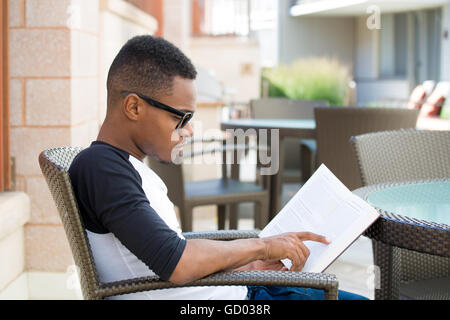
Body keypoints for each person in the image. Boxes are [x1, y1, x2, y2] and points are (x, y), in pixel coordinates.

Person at [68, 35, 367, 300]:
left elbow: (171, 252)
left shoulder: (125, 167)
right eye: (180, 118)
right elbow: (178, 262)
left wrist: (249, 265)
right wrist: (261, 247)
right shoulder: (101, 166)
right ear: (134, 107)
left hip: (240, 288)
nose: (189, 130)